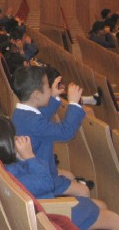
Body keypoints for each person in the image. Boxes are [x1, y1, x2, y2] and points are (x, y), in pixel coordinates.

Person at [0, 116, 119, 230]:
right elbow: (46, 182)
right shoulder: (12, 177)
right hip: (50, 214)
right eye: (13, 137)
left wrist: (22, 158)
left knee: (101, 205)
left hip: (43, 207)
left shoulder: (1, 167)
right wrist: (30, 156)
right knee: (114, 219)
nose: (17, 138)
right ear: (4, 145)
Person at [11, 65, 89, 198]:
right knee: (84, 191)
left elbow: (41, 117)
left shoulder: (20, 113)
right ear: (37, 94)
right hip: (39, 174)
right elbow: (65, 132)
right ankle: (68, 208)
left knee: (69, 176)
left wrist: (52, 96)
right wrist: (74, 103)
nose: (50, 89)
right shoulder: (35, 122)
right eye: (48, 87)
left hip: (29, 168)